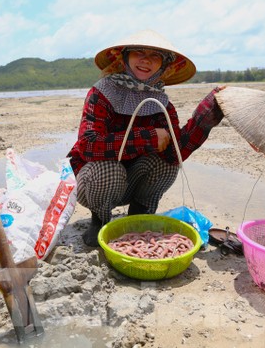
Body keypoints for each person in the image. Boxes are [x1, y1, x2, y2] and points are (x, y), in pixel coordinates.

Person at [67, 30, 226, 246]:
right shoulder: (101, 93)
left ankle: (138, 217)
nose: (145, 60)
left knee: (167, 164)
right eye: (138, 53)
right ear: (124, 58)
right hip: (97, 182)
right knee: (108, 169)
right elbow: (88, 146)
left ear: (163, 65)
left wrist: (206, 116)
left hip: (134, 180)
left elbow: (174, 153)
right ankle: (100, 220)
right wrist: (148, 138)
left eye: (155, 56)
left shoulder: (162, 104)